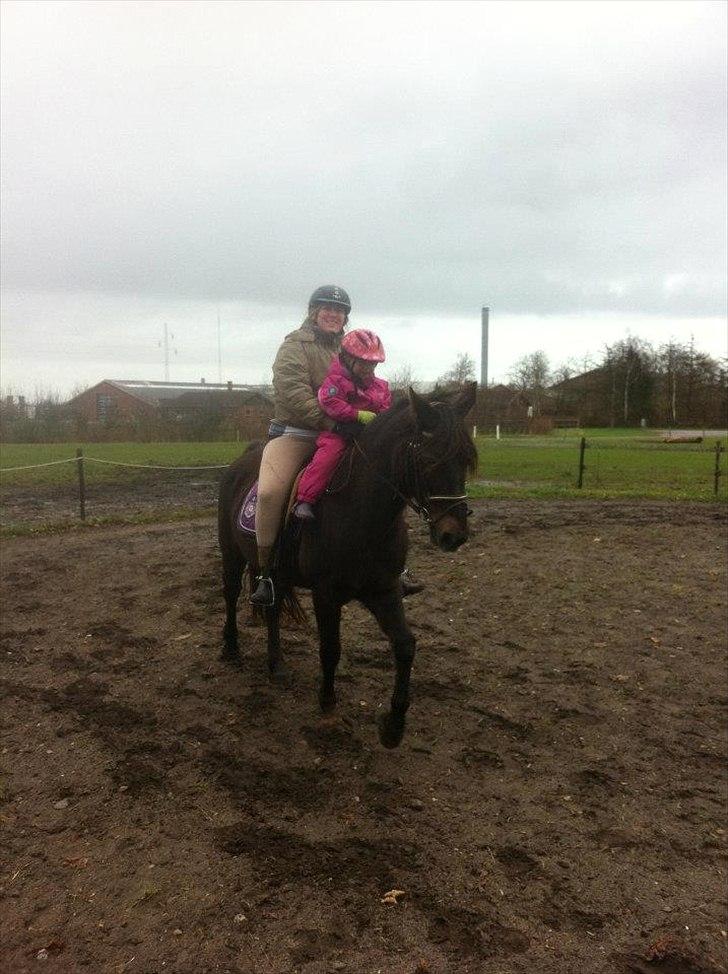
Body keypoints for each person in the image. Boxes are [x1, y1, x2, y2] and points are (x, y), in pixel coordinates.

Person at [250, 285, 423, 606]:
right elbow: (293, 393)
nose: (333, 314)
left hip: (347, 431)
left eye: (339, 310)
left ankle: (393, 567)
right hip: (298, 433)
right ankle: (267, 572)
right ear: (314, 312)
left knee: (384, 483)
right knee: (271, 492)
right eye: (326, 308)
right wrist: (333, 423)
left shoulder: (350, 347)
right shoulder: (294, 346)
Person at [293, 328, 391, 521]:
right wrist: (356, 415)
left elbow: (386, 406)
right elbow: (329, 402)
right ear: (346, 358)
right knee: (328, 456)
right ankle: (306, 499)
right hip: (339, 433)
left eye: (373, 364)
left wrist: (382, 419)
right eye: (363, 362)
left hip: (369, 433)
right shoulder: (334, 382)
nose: (368, 368)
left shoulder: (380, 386)